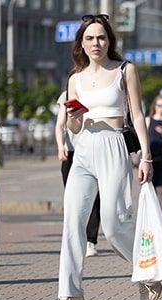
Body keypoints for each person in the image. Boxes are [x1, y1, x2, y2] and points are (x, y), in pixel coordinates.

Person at [51, 14, 159, 300]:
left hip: (113, 145)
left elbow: (137, 115)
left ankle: (148, 275)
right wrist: (73, 120)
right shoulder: (75, 79)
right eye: (89, 38)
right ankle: (72, 295)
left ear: (109, 40)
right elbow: (72, 128)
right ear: (81, 44)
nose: (96, 43)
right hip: (83, 149)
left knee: (113, 225)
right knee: (73, 221)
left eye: (101, 37)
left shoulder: (125, 70)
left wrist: (145, 158)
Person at [55, 91, 101, 258]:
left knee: (95, 198)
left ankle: (91, 240)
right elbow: (60, 124)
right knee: (72, 199)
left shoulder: (99, 89)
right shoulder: (67, 94)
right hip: (71, 152)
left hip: (92, 150)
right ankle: (74, 239)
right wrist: (60, 146)